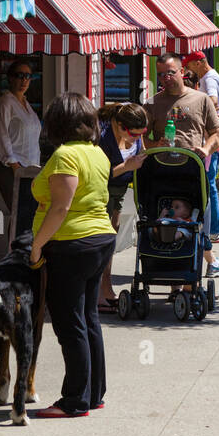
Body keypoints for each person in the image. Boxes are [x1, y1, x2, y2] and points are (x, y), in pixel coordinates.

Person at [30, 92, 117, 418]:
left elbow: (61, 207)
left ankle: (75, 400)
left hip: (71, 244)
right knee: (88, 318)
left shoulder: (65, 155)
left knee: (70, 324)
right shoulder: (97, 153)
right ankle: (94, 393)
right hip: (97, 240)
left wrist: (38, 243)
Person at [145, 56, 219, 278]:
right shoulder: (153, 103)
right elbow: (141, 139)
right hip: (161, 173)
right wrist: (155, 144)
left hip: (192, 172)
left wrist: (206, 149)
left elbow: (218, 135)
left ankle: (190, 277)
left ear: (182, 71)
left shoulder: (201, 100)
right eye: (162, 74)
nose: (167, 78)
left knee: (197, 220)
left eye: (171, 72)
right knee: (160, 217)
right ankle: (170, 270)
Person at [97, 101, 148, 312]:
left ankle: (105, 290)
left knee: (110, 242)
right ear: (119, 125)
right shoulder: (103, 137)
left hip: (119, 191)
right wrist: (126, 166)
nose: (137, 138)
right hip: (102, 192)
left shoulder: (134, 132)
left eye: (141, 133)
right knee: (102, 242)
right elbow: (98, 172)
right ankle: (101, 293)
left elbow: (142, 151)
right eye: (133, 134)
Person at [0, 59, 41, 236]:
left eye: (28, 76)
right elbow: (1, 134)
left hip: (30, 168)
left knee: (28, 213)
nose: (24, 80)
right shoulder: (6, 102)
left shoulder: (26, 104)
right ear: (10, 78)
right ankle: (15, 253)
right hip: (11, 167)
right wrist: (13, 165)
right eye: (19, 76)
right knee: (19, 211)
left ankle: (24, 253)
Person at [184, 49, 219, 244]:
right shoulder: (215, 76)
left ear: (200, 62)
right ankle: (215, 228)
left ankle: (215, 230)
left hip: (212, 136)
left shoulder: (209, 79)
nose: (188, 69)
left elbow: (213, 101)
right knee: (210, 183)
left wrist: (198, 115)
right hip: (216, 133)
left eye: (190, 65)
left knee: (209, 184)